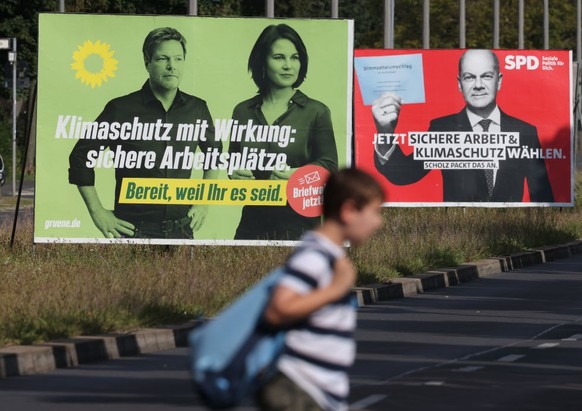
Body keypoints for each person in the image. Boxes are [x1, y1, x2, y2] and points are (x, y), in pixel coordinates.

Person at [68, 27, 221, 239]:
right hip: (133, 232)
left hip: (182, 231)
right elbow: (80, 156)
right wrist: (97, 212)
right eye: (163, 59)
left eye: (178, 59)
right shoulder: (120, 109)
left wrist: (204, 203)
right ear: (147, 62)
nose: (171, 66)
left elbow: (214, 155)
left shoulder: (198, 109)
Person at [257, 168, 384, 411]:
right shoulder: (315, 257)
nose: (379, 222)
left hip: (317, 393)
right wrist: (335, 289)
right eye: (375, 212)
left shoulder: (328, 255)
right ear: (349, 211)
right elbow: (278, 309)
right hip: (300, 390)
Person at [373, 49, 554, 203]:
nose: (478, 85)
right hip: (460, 232)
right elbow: (403, 174)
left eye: (486, 76)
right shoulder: (443, 128)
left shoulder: (524, 131)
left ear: (499, 81)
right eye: (469, 77)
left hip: (513, 231)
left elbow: (543, 196)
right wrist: (385, 132)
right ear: (460, 83)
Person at [229, 24, 338, 240]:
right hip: (251, 224)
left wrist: (297, 176)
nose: (288, 65)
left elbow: (329, 165)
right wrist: (234, 172)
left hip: (301, 225)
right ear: (262, 62)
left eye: (294, 57)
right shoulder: (242, 111)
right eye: (279, 57)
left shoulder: (317, 111)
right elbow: (233, 160)